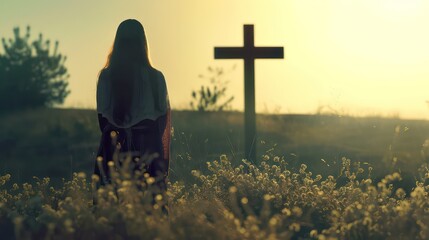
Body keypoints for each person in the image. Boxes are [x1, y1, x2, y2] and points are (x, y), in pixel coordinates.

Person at [93, 19, 171, 206]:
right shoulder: (156, 78)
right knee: (149, 208)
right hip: (148, 148)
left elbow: (102, 120)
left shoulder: (106, 76)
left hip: (113, 148)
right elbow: (162, 119)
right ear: (143, 43)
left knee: (110, 207)